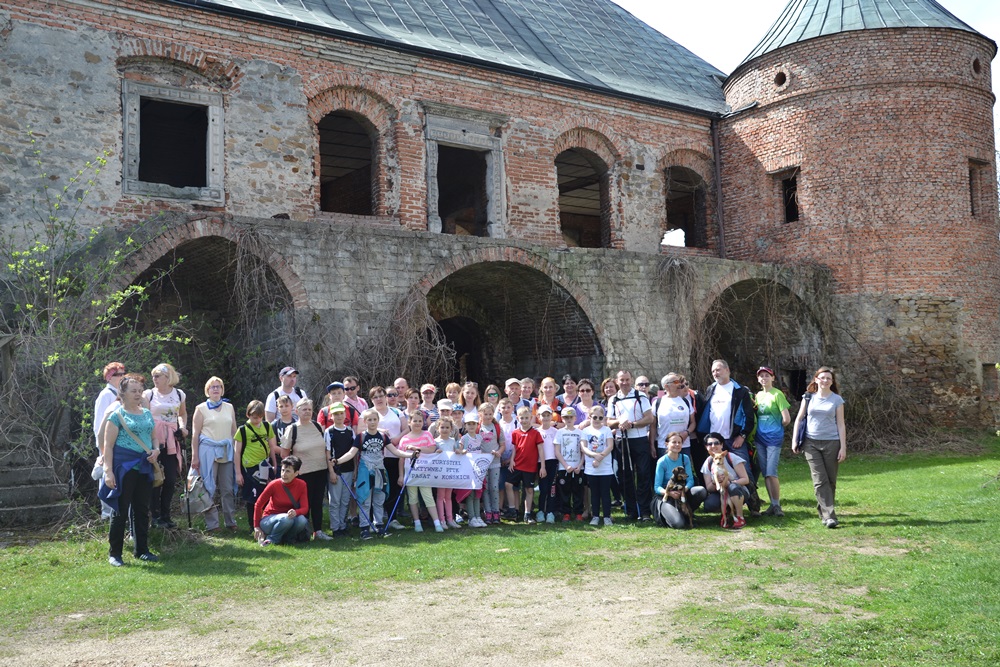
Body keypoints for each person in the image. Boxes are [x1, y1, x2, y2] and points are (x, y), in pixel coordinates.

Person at [100, 373, 160, 566]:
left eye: (140, 391)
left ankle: (142, 550)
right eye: (133, 391)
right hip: (124, 468)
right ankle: (115, 554)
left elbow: (154, 438)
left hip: (144, 467)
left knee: (142, 509)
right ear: (122, 393)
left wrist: (156, 451)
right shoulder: (116, 416)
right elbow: (108, 446)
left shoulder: (147, 413)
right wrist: (108, 472)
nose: (138, 394)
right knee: (120, 510)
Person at [791, 366, 847, 528]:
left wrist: (843, 447)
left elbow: (841, 424)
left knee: (830, 480)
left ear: (832, 381)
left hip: (832, 442)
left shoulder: (837, 400)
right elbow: (799, 419)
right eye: (822, 378)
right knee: (820, 480)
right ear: (816, 379)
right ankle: (830, 516)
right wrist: (795, 440)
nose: (825, 380)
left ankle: (824, 510)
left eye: (828, 378)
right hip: (811, 443)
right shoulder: (808, 397)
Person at [351, 408, 414, 539]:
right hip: (365, 471)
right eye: (369, 420)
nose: (372, 422)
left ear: (378, 421)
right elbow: (352, 453)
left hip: (380, 471)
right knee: (365, 500)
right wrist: (338, 461)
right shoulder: (361, 437)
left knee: (379, 500)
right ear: (365, 421)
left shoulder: (383, 436)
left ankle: (379, 526)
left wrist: (411, 455)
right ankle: (364, 528)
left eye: (375, 419)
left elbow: (395, 451)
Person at [191, 376, 238, 531]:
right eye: (213, 387)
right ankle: (212, 524)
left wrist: (237, 451)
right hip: (208, 451)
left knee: (227, 488)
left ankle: (230, 521)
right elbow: (195, 435)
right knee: (208, 487)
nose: (216, 389)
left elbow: (234, 431)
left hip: (226, 451)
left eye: (219, 386)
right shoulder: (200, 409)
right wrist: (195, 456)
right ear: (207, 390)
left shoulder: (229, 407)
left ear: (222, 390)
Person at [143, 363, 187, 529]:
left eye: (157, 376)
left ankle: (166, 514)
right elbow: (144, 416)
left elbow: (182, 413)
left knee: (170, 478)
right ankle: (155, 516)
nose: (154, 379)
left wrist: (183, 427)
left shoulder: (179, 394)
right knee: (156, 478)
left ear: (168, 377)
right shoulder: (149, 394)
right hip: (153, 440)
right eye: (153, 376)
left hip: (171, 440)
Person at [608, 370, 655, 521]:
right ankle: (631, 511)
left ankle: (645, 511)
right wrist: (620, 422)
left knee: (643, 474)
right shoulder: (613, 399)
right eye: (622, 380)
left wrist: (632, 424)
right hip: (621, 440)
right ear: (617, 381)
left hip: (639, 440)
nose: (625, 383)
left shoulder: (640, 396)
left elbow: (649, 418)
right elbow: (609, 421)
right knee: (624, 476)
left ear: (631, 380)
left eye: (627, 379)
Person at [282, 398, 330, 540]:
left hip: (321, 470)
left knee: (317, 502)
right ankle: (303, 532)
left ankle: (318, 531)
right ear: (297, 411)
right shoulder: (292, 429)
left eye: (309, 409)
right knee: (305, 503)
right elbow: (284, 454)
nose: (307, 412)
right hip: (303, 473)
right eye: (304, 409)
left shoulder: (317, 426)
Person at [234, 400, 278, 529]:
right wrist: (238, 473)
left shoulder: (267, 426)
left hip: (265, 465)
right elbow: (237, 452)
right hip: (250, 468)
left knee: (267, 495)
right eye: (254, 417)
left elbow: (272, 446)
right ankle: (253, 526)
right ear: (248, 415)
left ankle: (266, 524)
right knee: (252, 497)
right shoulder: (242, 430)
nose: (257, 420)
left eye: (259, 417)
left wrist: (274, 464)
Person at [754, 366, 791, 517]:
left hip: (773, 439)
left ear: (773, 378)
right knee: (765, 473)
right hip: (759, 439)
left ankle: (777, 505)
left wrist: (775, 429)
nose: (764, 378)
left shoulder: (777, 394)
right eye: (761, 376)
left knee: (771, 472)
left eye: (767, 375)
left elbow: (786, 419)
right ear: (758, 379)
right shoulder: (758, 396)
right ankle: (772, 504)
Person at [397, 410, 442, 532]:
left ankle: (437, 523)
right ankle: (417, 523)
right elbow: (401, 459)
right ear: (409, 422)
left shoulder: (427, 435)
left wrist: (416, 448)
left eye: (420, 421)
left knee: (428, 497)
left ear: (423, 422)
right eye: (415, 421)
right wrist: (401, 475)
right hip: (410, 474)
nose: (417, 423)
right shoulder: (404, 439)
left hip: (425, 473)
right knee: (412, 498)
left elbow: (431, 449)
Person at [652, 432, 708, 529]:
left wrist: (684, 490)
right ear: (666, 444)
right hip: (666, 495)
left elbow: (690, 480)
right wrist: (669, 493)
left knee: (701, 491)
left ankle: (687, 513)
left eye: (679, 442)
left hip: (682, 492)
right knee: (679, 524)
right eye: (674, 442)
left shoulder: (685, 458)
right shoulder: (662, 461)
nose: (677, 445)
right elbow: (657, 487)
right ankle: (671, 514)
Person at [253, 455, 310, 546]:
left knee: (302, 520)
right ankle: (271, 540)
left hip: (288, 519)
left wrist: (296, 512)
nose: (284, 474)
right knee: (286, 519)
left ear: (296, 473)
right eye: (283, 470)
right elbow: (258, 504)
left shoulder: (302, 485)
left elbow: (305, 508)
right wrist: (256, 526)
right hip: (269, 519)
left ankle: (288, 539)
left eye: (288, 471)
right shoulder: (274, 484)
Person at [370, 386, 406, 530]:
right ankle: (374, 520)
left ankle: (392, 518)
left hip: (394, 455)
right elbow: (361, 429)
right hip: (375, 457)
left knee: (393, 488)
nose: (378, 399)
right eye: (375, 397)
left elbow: (406, 429)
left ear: (385, 397)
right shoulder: (368, 413)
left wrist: (397, 438)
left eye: (381, 396)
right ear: (371, 400)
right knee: (376, 488)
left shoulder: (397, 412)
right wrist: (379, 430)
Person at [94, 361, 126, 518]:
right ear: (109, 377)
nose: (122, 377)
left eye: (123, 374)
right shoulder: (106, 395)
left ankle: (117, 512)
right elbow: (99, 424)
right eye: (118, 375)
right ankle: (106, 514)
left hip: (119, 444)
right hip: (107, 444)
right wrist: (102, 449)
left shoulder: (121, 395)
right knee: (107, 476)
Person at [700, 433, 750, 529]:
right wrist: (716, 482)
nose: (713, 446)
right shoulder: (708, 462)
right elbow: (709, 488)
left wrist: (729, 483)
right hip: (720, 491)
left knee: (732, 487)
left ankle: (740, 517)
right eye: (710, 444)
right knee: (709, 504)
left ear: (722, 445)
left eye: (716, 443)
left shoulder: (731, 457)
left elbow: (745, 479)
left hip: (739, 490)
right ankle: (726, 513)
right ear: (706, 447)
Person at [507, 406, 543, 524]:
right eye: (522, 418)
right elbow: (515, 448)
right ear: (518, 418)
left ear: (531, 418)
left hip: (530, 467)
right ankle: (513, 510)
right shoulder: (515, 432)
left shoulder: (535, 433)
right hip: (517, 465)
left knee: (529, 490)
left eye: (527, 418)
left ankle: (527, 514)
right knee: (508, 485)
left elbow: (540, 450)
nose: (524, 420)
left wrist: (542, 466)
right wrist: (512, 460)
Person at [324, 402, 356, 537]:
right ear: (331, 416)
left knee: (345, 499)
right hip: (336, 471)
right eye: (336, 414)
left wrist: (355, 470)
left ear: (345, 415)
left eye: (341, 413)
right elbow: (327, 453)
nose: (339, 416)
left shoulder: (350, 431)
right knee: (335, 500)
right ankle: (335, 527)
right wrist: (331, 471)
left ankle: (343, 525)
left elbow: (354, 452)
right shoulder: (329, 432)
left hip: (349, 470)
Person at [581, 405, 615, 526]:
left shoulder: (607, 430)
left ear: (603, 418)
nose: (597, 420)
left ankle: (606, 516)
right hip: (591, 468)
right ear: (590, 417)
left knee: (605, 493)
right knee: (594, 493)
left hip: (605, 468)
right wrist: (595, 456)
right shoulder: (585, 431)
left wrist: (600, 457)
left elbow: (610, 446)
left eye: (600, 417)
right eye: (594, 417)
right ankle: (595, 515)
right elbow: (584, 447)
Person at [650, 372, 696, 460]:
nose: (679, 384)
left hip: (683, 446)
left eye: (679, 381)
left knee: (683, 468)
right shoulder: (657, 403)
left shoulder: (686, 402)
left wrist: (687, 432)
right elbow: (653, 426)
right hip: (664, 446)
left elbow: (693, 422)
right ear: (666, 386)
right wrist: (652, 445)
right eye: (675, 382)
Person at [554, 406, 585, 521]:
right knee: (564, 491)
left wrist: (580, 465)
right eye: (566, 417)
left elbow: (583, 451)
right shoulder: (559, 433)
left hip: (578, 467)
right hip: (564, 468)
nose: (568, 419)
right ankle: (566, 513)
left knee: (578, 491)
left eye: (571, 417)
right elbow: (557, 451)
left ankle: (578, 513)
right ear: (562, 419)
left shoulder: (580, 433)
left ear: (575, 418)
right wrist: (565, 465)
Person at [457, 412, 486, 527]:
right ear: (465, 425)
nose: (471, 426)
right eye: (469, 424)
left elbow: (482, 451)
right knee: (470, 494)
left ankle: (478, 517)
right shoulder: (464, 438)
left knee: (477, 493)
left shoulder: (480, 437)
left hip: (478, 470)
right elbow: (459, 451)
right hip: (468, 470)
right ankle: (471, 517)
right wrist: (462, 451)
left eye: (474, 424)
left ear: (477, 425)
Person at [477, 403, 503, 524]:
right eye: (485, 414)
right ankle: (488, 512)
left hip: (495, 462)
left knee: (494, 487)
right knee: (486, 488)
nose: (488, 416)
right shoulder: (478, 427)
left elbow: (502, 444)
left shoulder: (497, 427)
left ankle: (496, 511)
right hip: (482, 463)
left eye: (490, 414)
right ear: (480, 414)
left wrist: (498, 452)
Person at [434, 416, 461, 529]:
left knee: (448, 497)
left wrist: (459, 451)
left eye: (447, 427)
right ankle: (442, 520)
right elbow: (432, 455)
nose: (444, 430)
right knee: (440, 496)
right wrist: (436, 451)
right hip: (440, 473)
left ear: (451, 429)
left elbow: (457, 450)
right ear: (438, 429)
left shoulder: (453, 441)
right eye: (442, 427)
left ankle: (450, 519)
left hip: (450, 473)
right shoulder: (435, 442)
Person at [535, 404, 559, 523]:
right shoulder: (536, 431)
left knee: (552, 488)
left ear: (551, 416)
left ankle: (550, 512)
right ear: (539, 417)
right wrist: (542, 466)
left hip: (553, 462)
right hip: (541, 463)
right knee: (543, 488)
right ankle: (540, 511)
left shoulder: (555, 431)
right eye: (543, 415)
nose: (545, 418)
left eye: (547, 415)